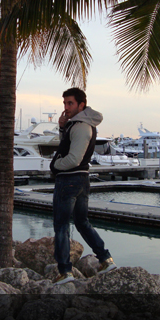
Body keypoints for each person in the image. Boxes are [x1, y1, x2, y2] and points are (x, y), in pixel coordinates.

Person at [50, 87, 117, 285]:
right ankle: (105, 259)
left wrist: (55, 165)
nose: (66, 107)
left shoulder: (80, 126)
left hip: (69, 180)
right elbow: (67, 146)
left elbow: (73, 158)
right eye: (64, 103)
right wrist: (62, 128)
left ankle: (65, 271)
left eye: (70, 103)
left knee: (61, 226)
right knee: (81, 222)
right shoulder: (79, 124)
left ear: (81, 105)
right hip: (81, 179)